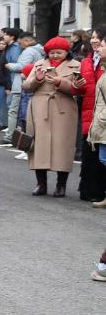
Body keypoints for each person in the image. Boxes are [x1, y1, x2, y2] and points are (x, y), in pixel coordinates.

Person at [23, 36, 83, 197]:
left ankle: (61, 184)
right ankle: (41, 183)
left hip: (64, 107)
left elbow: (78, 89)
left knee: (63, 146)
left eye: (59, 52)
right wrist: (37, 79)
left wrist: (59, 82)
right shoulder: (39, 64)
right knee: (39, 146)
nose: (55, 56)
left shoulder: (76, 66)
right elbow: (26, 86)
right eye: (52, 53)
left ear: (67, 52)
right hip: (40, 107)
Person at [75, 27, 105, 203]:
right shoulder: (86, 62)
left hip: (102, 114)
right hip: (88, 113)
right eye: (92, 37)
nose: (94, 41)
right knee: (89, 154)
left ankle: (100, 191)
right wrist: (76, 85)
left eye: (98, 38)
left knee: (101, 156)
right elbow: (79, 89)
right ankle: (88, 190)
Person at [85, 37, 106, 210]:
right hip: (101, 122)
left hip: (103, 121)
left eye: (102, 46)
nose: (98, 49)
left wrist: (101, 118)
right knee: (103, 158)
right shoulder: (104, 69)